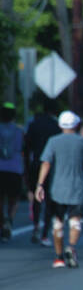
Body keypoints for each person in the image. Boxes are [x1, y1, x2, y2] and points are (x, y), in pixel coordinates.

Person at [35, 111, 83, 268]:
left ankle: (59, 257)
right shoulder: (82, 143)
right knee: (75, 222)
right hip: (77, 187)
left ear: (60, 125)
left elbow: (46, 163)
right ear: (76, 125)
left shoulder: (53, 141)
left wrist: (40, 185)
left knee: (58, 224)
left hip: (57, 188)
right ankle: (71, 247)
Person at [24, 101, 61, 246]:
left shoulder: (34, 125)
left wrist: (26, 167)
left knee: (36, 196)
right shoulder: (55, 126)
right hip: (51, 165)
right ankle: (46, 232)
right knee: (50, 200)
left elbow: (26, 147)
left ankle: (35, 227)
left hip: (36, 163)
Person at [0, 102, 25, 243]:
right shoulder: (19, 131)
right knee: (13, 199)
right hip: (15, 168)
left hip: (0, 168)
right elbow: (25, 149)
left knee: (0, 198)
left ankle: (3, 221)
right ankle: (9, 218)